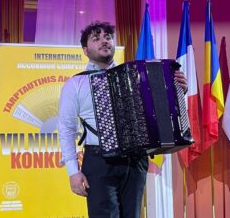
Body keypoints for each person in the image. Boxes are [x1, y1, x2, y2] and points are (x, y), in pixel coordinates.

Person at [58, 21, 188, 218]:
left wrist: (177, 91)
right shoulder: (75, 84)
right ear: (85, 50)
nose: (104, 41)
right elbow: (67, 130)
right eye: (96, 38)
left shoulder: (135, 76)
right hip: (99, 160)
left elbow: (158, 109)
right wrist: (73, 172)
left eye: (108, 37)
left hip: (135, 160)